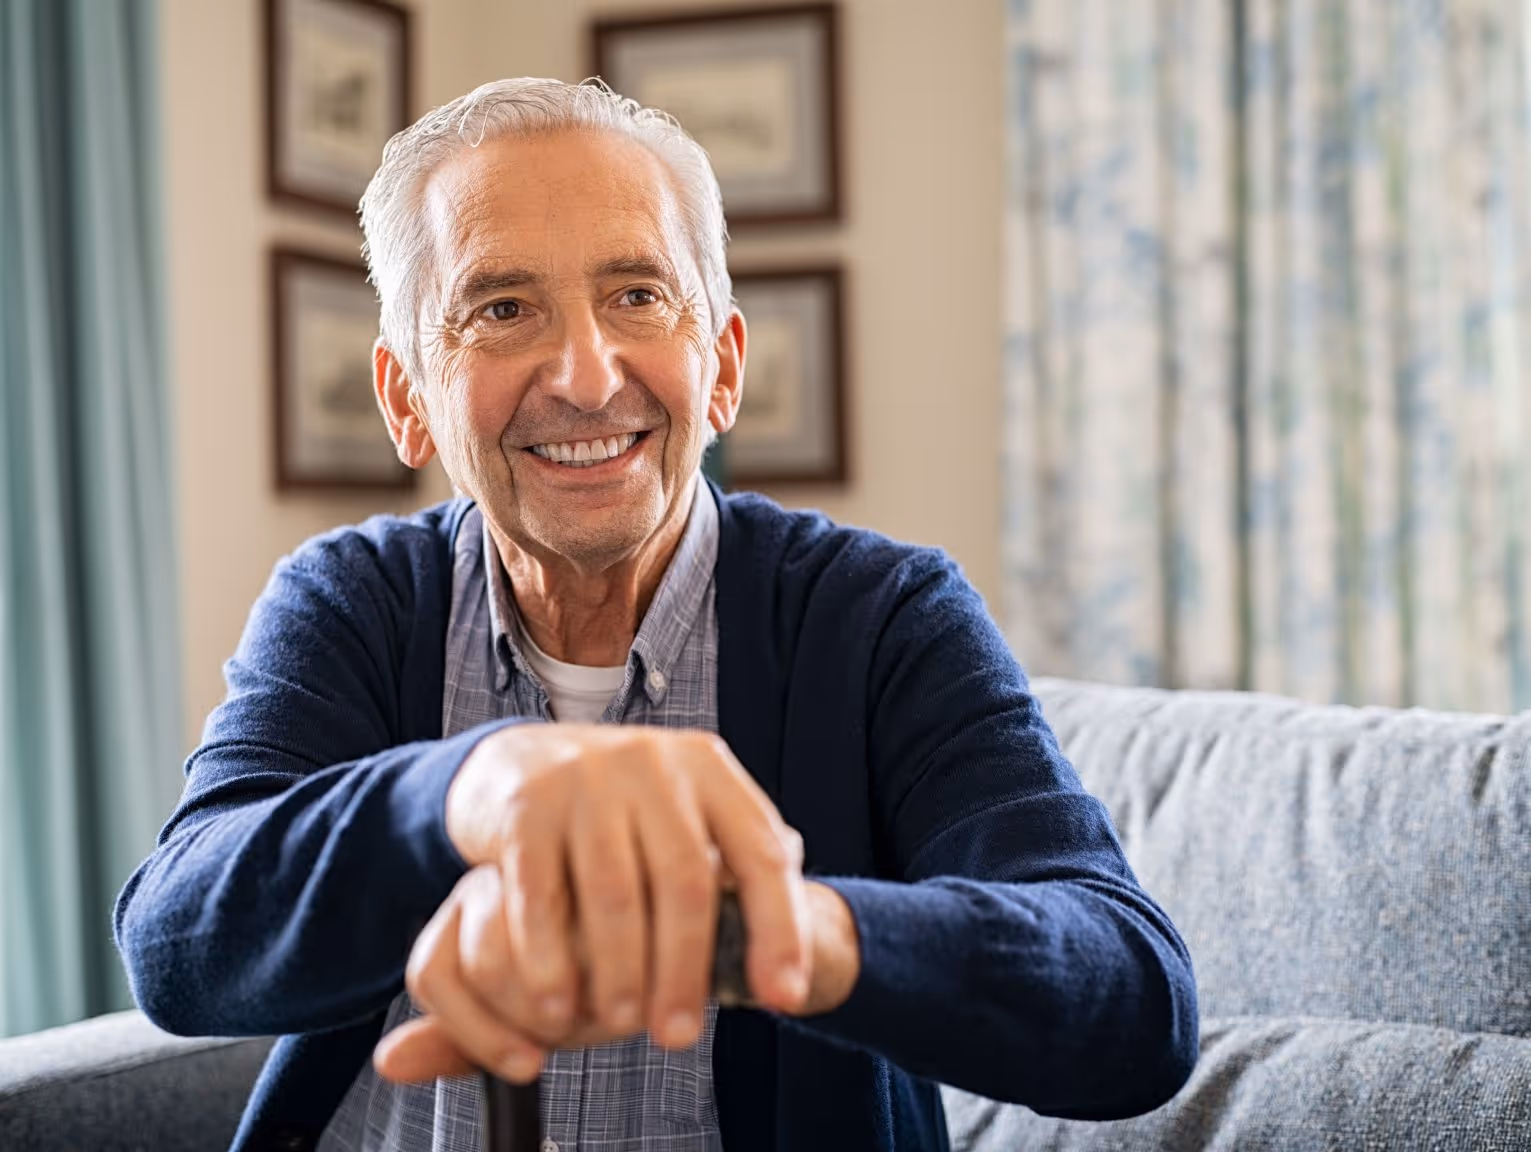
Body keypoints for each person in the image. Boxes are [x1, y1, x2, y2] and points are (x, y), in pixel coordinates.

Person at [114, 78, 1197, 1152]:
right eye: (502, 309)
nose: (586, 378)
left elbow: (1131, 1001)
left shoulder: (881, 617)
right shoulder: (350, 598)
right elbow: (177, 944)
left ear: (720, 367)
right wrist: (471, 786)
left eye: (637, 295)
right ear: (407, 398)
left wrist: (770, 933)